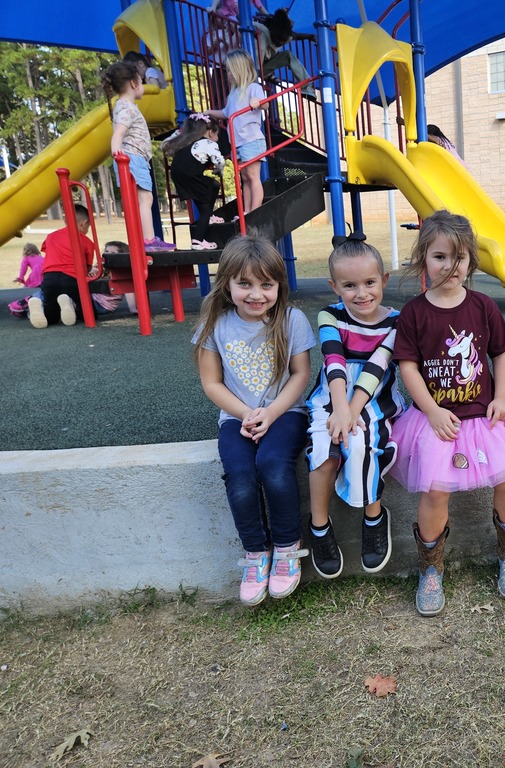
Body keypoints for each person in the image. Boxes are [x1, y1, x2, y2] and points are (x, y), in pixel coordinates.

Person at [390, 210, 505, 616]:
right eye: (440, 256)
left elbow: (501, 355)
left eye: (459, 257)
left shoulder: (483, 306)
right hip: (437, 421)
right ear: (424, 259)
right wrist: (432, 411)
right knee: (435, 491)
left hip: (484, 417)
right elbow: (408, 367)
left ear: (471, 261)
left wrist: (502, 398)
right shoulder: (414, 314)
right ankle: (431, 569)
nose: (450, 266)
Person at [192, 235, 317, 605]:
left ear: (279, 284)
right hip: (236, 418)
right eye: (244, 283)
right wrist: (245, 413)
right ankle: (255, 554)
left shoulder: (291, 319)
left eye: (267, 284)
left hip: (285, 413)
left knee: (273, 465)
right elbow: (211, 383)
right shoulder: (215, 323)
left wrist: (272, 412)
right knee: (241, 476)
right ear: (227, 283)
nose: (256, 293)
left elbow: (300, 375)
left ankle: (286, 547)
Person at [305, 235, 405, 578]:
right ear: (334, 286)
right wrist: (339, 410)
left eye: (369, 283)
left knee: (362, 443)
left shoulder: (396, 321)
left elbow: (377, 369)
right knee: (323, 446)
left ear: (384, 281)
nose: (361, 293)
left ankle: (374, 517)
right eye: (349, 285)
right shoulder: (328, 315)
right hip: (331, 397)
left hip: (375, 400)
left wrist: (351, 412)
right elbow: (333, 361)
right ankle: (319, 528)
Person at [102, 61, 176, 252]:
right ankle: (149, 241)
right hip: (132, 158)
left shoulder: (122, 106)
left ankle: (143, 239)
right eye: (141, 81)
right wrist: (118, 153)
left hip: (130, 159)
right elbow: (118, 133)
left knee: (139, 201)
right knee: (146, 200)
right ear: (134, 83)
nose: (143, 85)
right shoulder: (127, 107)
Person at [203, 50, 268, 213]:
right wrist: (210, 112)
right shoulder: (233, 94)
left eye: (231, 70)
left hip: (251, 141)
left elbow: (265, 105)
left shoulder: (253, 88)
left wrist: (257, 102)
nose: (229, 74)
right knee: (244, 179)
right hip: (237, 143)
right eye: (227, 70)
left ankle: (255, 211)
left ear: (241, 70)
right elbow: (226, 113)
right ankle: (246, 211)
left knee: (253, 177)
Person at [26, 204, 98, 329]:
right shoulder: (87, 242)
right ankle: (68, 303)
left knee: (52, 316)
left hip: (49, 279)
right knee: (89, 313)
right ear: (84, 223)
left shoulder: (51, 237)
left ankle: (38, 304)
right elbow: (87, 268)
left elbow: (48, 252)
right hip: (72, 279)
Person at [161, 113, 226, 250]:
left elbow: (164, 145)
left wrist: (178, 133)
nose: (217, 138)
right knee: (206, 208)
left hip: (179, 175)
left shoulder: (186, 141)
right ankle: (197, 241)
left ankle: (210, 216)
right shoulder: (208, 143)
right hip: (191, 176)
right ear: (210, 132)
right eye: (217, 134)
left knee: (213, 186)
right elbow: (219, 161)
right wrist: (219, 171)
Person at [8, 244, 44, 319]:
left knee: (27, 289)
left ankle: (25, 305)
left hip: (35, 276)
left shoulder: (26, 258)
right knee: (42, 291)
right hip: (45, 275)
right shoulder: (41, 257)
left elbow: (23, 268)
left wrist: (20, 278)